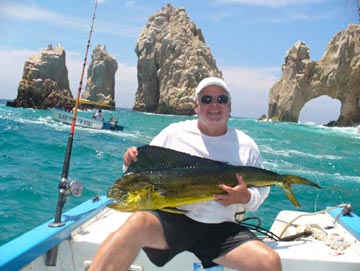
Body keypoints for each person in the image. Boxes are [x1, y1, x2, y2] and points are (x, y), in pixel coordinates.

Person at [89, 77, 282, 271]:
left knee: (269, 262)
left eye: (221, 99)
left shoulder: (246, 146)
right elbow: (140, 175)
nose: (214, 105)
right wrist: (129, 161)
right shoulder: (174, 133)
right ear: (196, 106)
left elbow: (262, 191)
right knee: (136, 223)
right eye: (207, 99)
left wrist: (246, 197)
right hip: (173, 222)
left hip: (221, 228)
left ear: (229, 107)